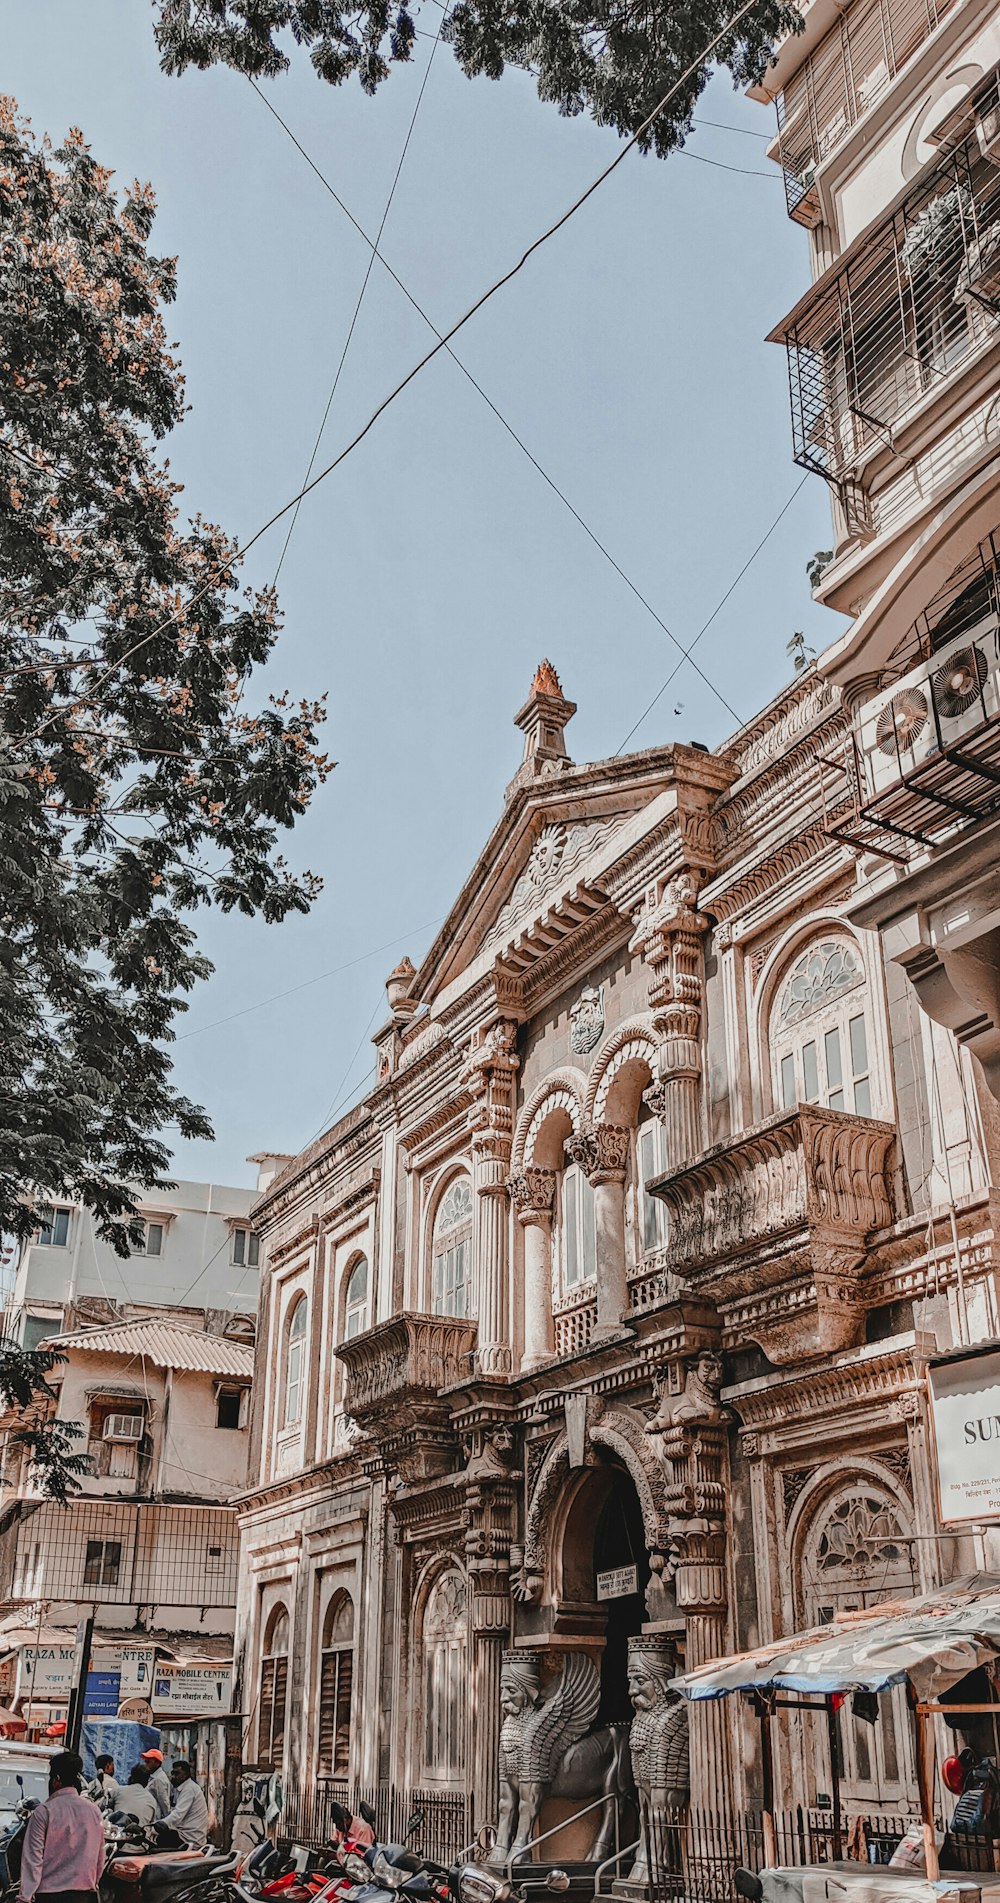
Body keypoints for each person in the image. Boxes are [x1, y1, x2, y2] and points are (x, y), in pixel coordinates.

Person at [18, 1750, 106, 1903]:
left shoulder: (44, 1812)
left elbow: (33, 1859)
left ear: (56, 1780)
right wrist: (93, 1883)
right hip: (84, 1894)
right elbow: (99, 1856)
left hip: (50, 1895)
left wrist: (25, 1896)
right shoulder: (93, 1811)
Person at [154, 1763, 209, 1851]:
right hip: (184, 1833)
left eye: (177, 1774)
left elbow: (178, 1814)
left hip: (189, 1837)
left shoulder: (189, 1789)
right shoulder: (180, 1789)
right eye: (172, 1773)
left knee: (161, 1840)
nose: (173, 1776)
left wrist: (161, 1823)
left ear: (185, 1774)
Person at [139, 1750, 171, 1820]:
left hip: (154, 1818)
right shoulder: (153, 1776)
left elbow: (164, 1802)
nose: (145, 1764)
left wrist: (166, 1820)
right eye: (145, 1762)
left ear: (157, 1763)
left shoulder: (159, 1779)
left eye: (148, 1762)